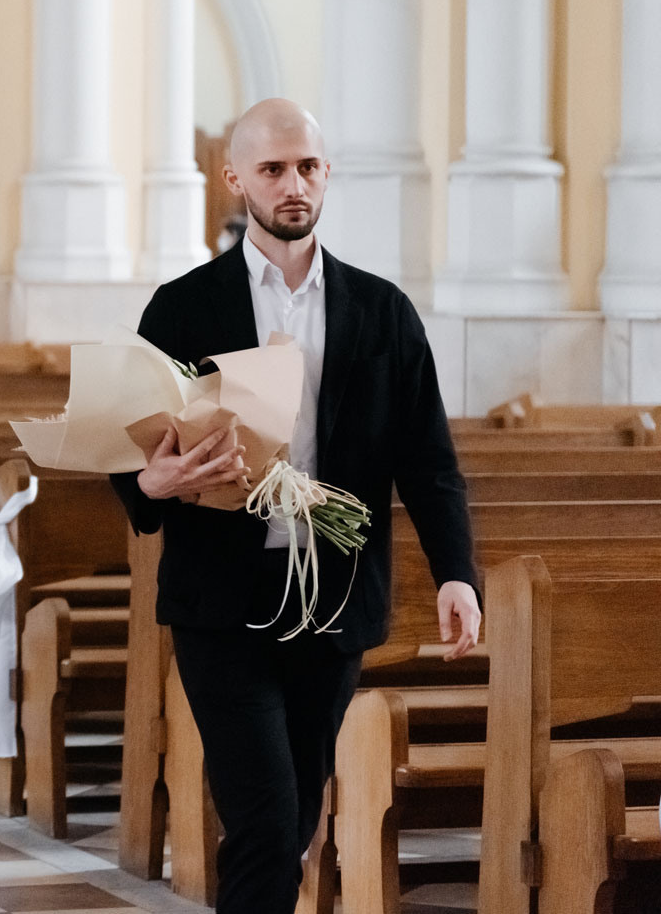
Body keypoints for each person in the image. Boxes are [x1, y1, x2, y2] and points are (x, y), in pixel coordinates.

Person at [109, 98, 480, 913]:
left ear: (326, 173)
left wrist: (458, 573)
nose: (293, 184)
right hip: (221, 599)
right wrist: (150, 487)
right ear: (234, 176)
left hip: (333, 594)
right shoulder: (182, 306)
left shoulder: (381, 310)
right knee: (269, 821)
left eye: (308, 166)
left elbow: (429, 459)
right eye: (273, 168)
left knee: (298, 815)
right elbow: (128, 449)